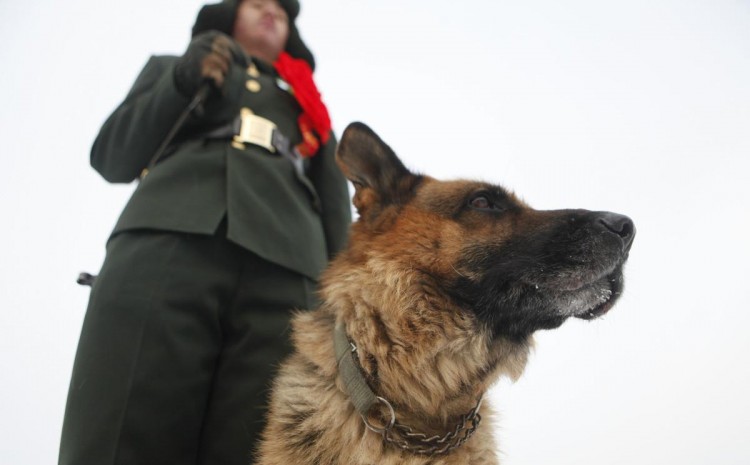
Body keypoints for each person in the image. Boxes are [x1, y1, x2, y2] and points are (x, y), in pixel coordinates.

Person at [59, 0, 351, 464]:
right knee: (122, 428)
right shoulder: (175, 69)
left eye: (281, 9)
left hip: (291, 269)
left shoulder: (307, 106)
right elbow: (113, 157)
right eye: (257, 3)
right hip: (168, 239)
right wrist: (181, 82)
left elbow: (335, 203)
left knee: (265, 445)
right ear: (228, 14)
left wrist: (342, 298)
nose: (271, 11)